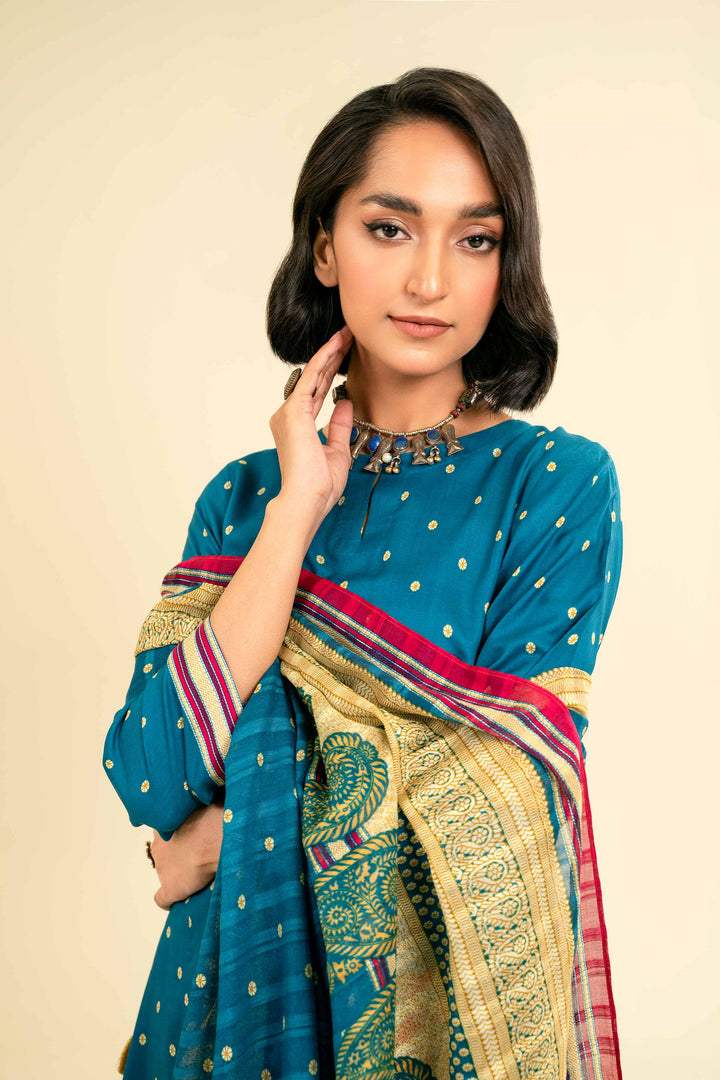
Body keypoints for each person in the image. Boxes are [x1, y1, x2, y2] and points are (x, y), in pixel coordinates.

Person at [103, 66, 624, 1080]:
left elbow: (500, 803)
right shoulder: (244, 499)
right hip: (210, 1015)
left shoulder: (554, 485)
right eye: (391, 228)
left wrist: (223, 839)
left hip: (424, 1032)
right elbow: (152, 768)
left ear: (507, 264)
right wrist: (297, 508)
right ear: (324, 247)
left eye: (475, 239)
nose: (430, 280)